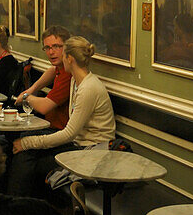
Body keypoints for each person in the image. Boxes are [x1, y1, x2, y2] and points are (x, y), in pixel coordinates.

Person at [9, 36, 116, 197]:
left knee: (27, 154)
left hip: (92, 151)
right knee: (26, 153)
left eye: (63, 55)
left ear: (70, 59)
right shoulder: (75, 80)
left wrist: (27, 143)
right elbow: (53, 70)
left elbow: (69, 134)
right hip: (78, 144)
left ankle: (17, 208)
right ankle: (20, 206)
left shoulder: (89, 88)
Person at [16, 24, 72, 129]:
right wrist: (32, 89)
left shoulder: (68, 73)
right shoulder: (59, 68)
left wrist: (26, 97)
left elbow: (44, 107)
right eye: (47, 47)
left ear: (67, 47)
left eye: (56, 46)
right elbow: (51, 71)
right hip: (49, 125)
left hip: (58, 131)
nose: (51, 52)